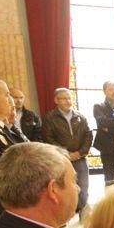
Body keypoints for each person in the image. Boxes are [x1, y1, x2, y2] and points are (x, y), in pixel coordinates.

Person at [41, 87, 93, 217]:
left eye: (69, 98)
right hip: (60, 159)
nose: (67, 101)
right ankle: (66, 213)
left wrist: (80, 152)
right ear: (56, 100)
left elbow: (88, 135)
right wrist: (66, 154)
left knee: (83, 185)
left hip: (80, 157)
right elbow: (48, 138)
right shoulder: (50, 118)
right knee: (63, 186)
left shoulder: (80, 116)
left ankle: (82, 210)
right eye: (63, 98)